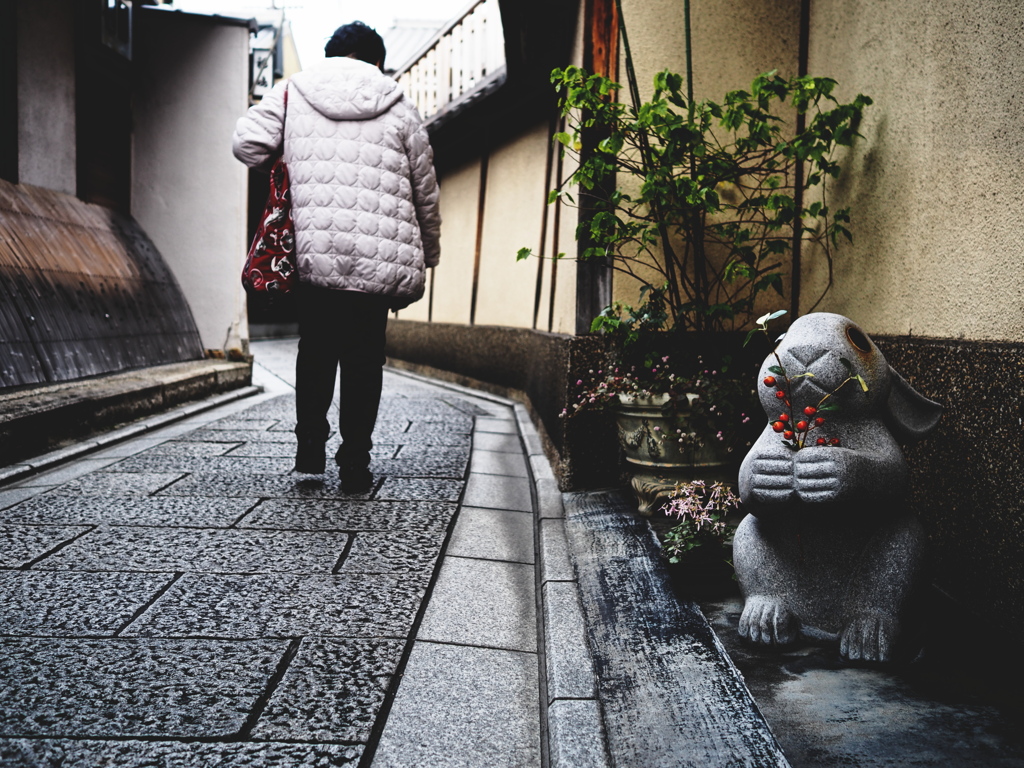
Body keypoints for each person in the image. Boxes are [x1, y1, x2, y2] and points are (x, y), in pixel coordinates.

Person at [232, 21, 441, 492]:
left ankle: (310, 450)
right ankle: (355, 465)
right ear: (376, 62)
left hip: (313, 249)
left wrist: (289, 160)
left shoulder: (293, 92)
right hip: (378, 254)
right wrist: (429, 252)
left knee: (317, 348)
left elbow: (247, 145)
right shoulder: (400, 105)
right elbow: (424, 190)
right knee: (365, 359)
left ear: (329, 55)